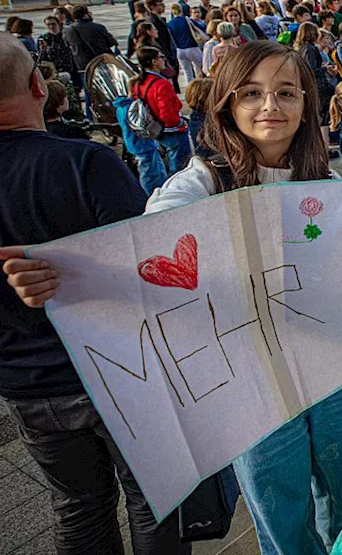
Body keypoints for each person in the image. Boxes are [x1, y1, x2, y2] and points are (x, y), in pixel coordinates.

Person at [128, 42, 342, 555]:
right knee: (281, 511)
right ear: (226, 103)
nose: (270, 106)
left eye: (286, 92)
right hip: (250, 390)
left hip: (327, 371)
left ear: (308, 103)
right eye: (252, 93)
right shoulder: (202, 182)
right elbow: (142, 241)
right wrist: (71, 270)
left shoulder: (328, 182)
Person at [0, 33, 191, 555]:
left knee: (78, 509)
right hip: (120, 372)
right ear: (39, 85)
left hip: (27, 385)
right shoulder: (85, 165)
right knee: (155, 500)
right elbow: (148, 267)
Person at [129, 46, 191, 185]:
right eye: (161, 57)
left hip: (155, 130)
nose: (164, 60)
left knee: (167, 165)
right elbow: (168, 114)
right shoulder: (161, 84)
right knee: (180, 170)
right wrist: (179, 123)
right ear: (154, 62)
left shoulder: (139, 83)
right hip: (171, 131)